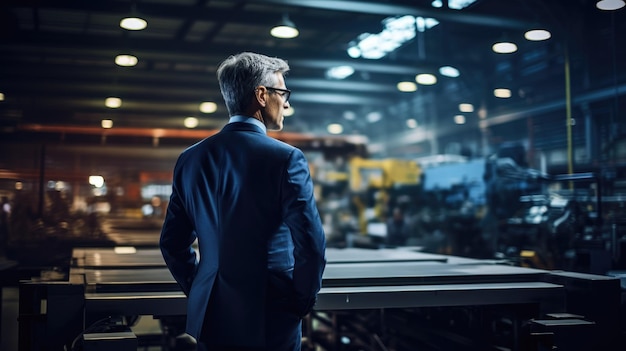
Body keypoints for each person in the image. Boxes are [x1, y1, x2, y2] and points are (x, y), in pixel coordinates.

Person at [160, 52, 327, 351]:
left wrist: (201, 288)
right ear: (261, 95)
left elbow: (172, 243)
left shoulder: (190, 159)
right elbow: (311, 244)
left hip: (211, 313)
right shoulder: (286, 159)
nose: (287, 103)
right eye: (282, 93)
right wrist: (299, 301)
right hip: (269, 314)